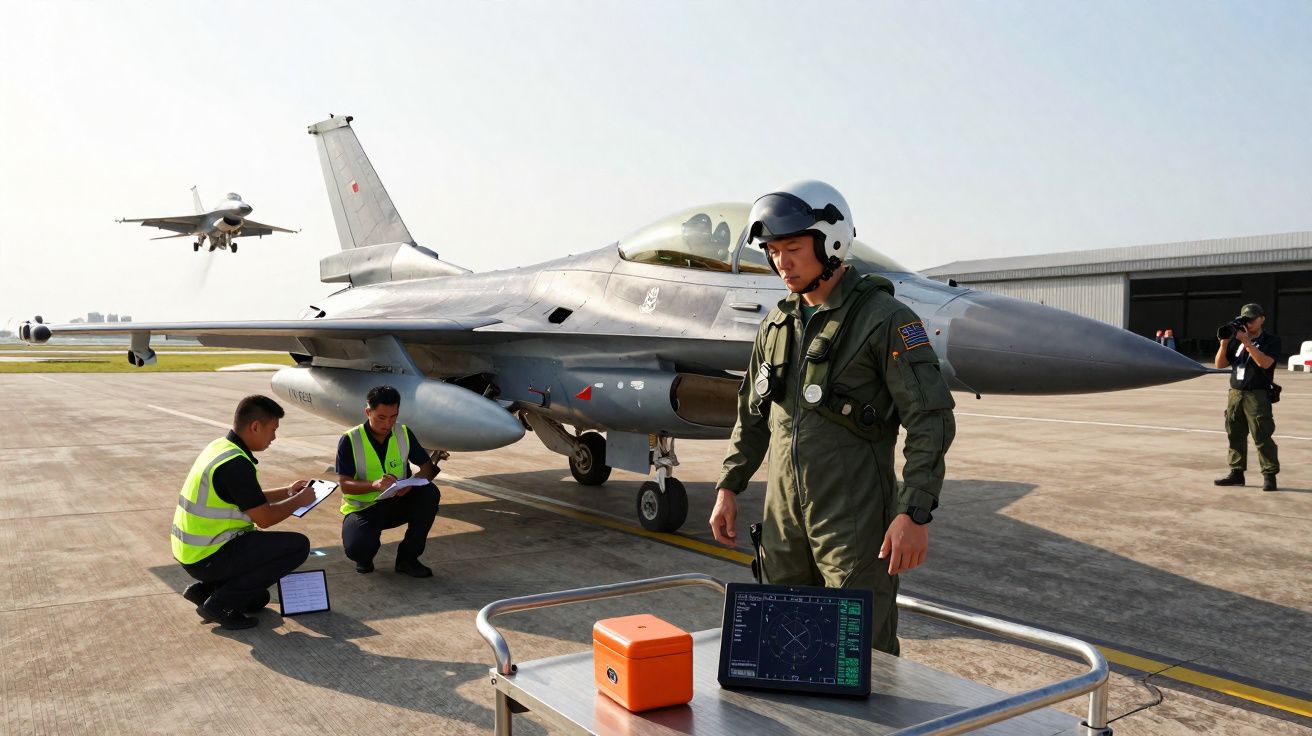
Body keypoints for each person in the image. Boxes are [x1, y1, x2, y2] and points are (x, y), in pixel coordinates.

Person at [709, 180, 957, 655]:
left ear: (832, 243)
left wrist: (914, 511)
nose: (782, 262)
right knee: (785, 651)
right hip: (783, 522)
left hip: (855, 522)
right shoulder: (776, 324)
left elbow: (931, 418)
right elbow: (752, 413)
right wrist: (729, 485)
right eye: (775, 251)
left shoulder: (885, 320)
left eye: (794, 249)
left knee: (861, 658)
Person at [173, 395, 315, 630]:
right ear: (255, 426)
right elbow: (265, 519)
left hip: (195, 552)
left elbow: (245, 498)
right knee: (298, 546)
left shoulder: (220, 447)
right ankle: (219, 606)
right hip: (210, 555)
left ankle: (206, 590)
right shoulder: (236, 465)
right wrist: (300, 500)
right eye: (273, 429)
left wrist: (287, 492)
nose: (274, 437)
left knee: (259, 600)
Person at [336, 385, 445, 577]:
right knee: (358, 549)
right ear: (368, 412)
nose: (388, 424)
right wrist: (374, 485)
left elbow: (428, 469)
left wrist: (410, 484)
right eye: (381, 417)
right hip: (365, 509)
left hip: (397, 502)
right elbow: (345, 485)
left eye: (393, 416)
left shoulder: (403, 432)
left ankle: (407, 559)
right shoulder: (350, 439)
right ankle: (365, 556)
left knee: (430, 493)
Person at [1214, 303, 1280, 491]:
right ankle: (1236, 473)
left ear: (1262, 319)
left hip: (1257, 394)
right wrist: (1225, 342)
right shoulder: (1236, 340)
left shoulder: (1271, 340)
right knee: (1234, 434)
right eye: (1245, 319)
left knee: (1261, 435)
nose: (1248, 323)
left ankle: (1269, 475)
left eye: (1251, 319)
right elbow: (1220, 364)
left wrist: (1248, 343)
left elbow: (1265, 363)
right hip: (1235, 394)